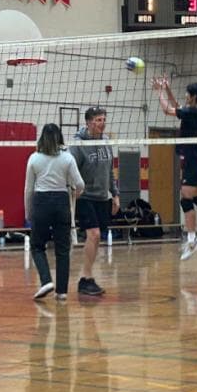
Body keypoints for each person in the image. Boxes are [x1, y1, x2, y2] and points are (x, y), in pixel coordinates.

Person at [152, 76, 197, 260]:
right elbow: (179, 106)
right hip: (195, 157)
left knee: (185, 199)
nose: (185, 95)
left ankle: (193, 240)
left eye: (188, 93)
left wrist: (159, 92)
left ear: (193, 96)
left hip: (193, 159)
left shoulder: (193, 112)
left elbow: (167, 110)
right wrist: (168, 89)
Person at [24, 124, 85, 301]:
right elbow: (80, 184)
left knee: (37, 246)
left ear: (42, 138)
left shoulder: (34, 158)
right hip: (61, 202)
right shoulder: (67, 158)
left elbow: (28, 189)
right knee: (63, 249)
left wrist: (29, 212)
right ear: (60, 138)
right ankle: (62, 292)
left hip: (41, 202)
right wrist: (75, 192)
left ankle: (46, 281)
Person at [70, 106, 120, 296]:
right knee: (94, 235)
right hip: (85, 197)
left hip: (101, 197)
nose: (103, 123)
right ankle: (85, 278)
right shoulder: (78, 144)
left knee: (96, 237)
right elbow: (70, 168)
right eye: (99, 120)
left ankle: (88, 278)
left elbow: (109, 171)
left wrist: (114, 194)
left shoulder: (106, 142)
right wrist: (74, 190)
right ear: (89, 122)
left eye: (104, 119)